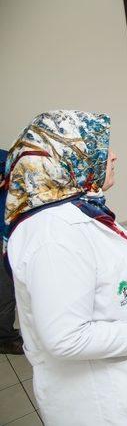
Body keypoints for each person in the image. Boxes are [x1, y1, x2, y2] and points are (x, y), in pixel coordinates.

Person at [4, 110, 127, 425]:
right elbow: (67, 338)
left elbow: (99, 270)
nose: (112, 155)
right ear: (66, 159)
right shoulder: (53, 234)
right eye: (97, 145)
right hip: (105, 403)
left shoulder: (78, 213)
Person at [0, 149, 23, 355]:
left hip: (12, 230)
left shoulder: (8, 157)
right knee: (5, 290)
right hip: (3, 233)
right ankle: (5, 338)